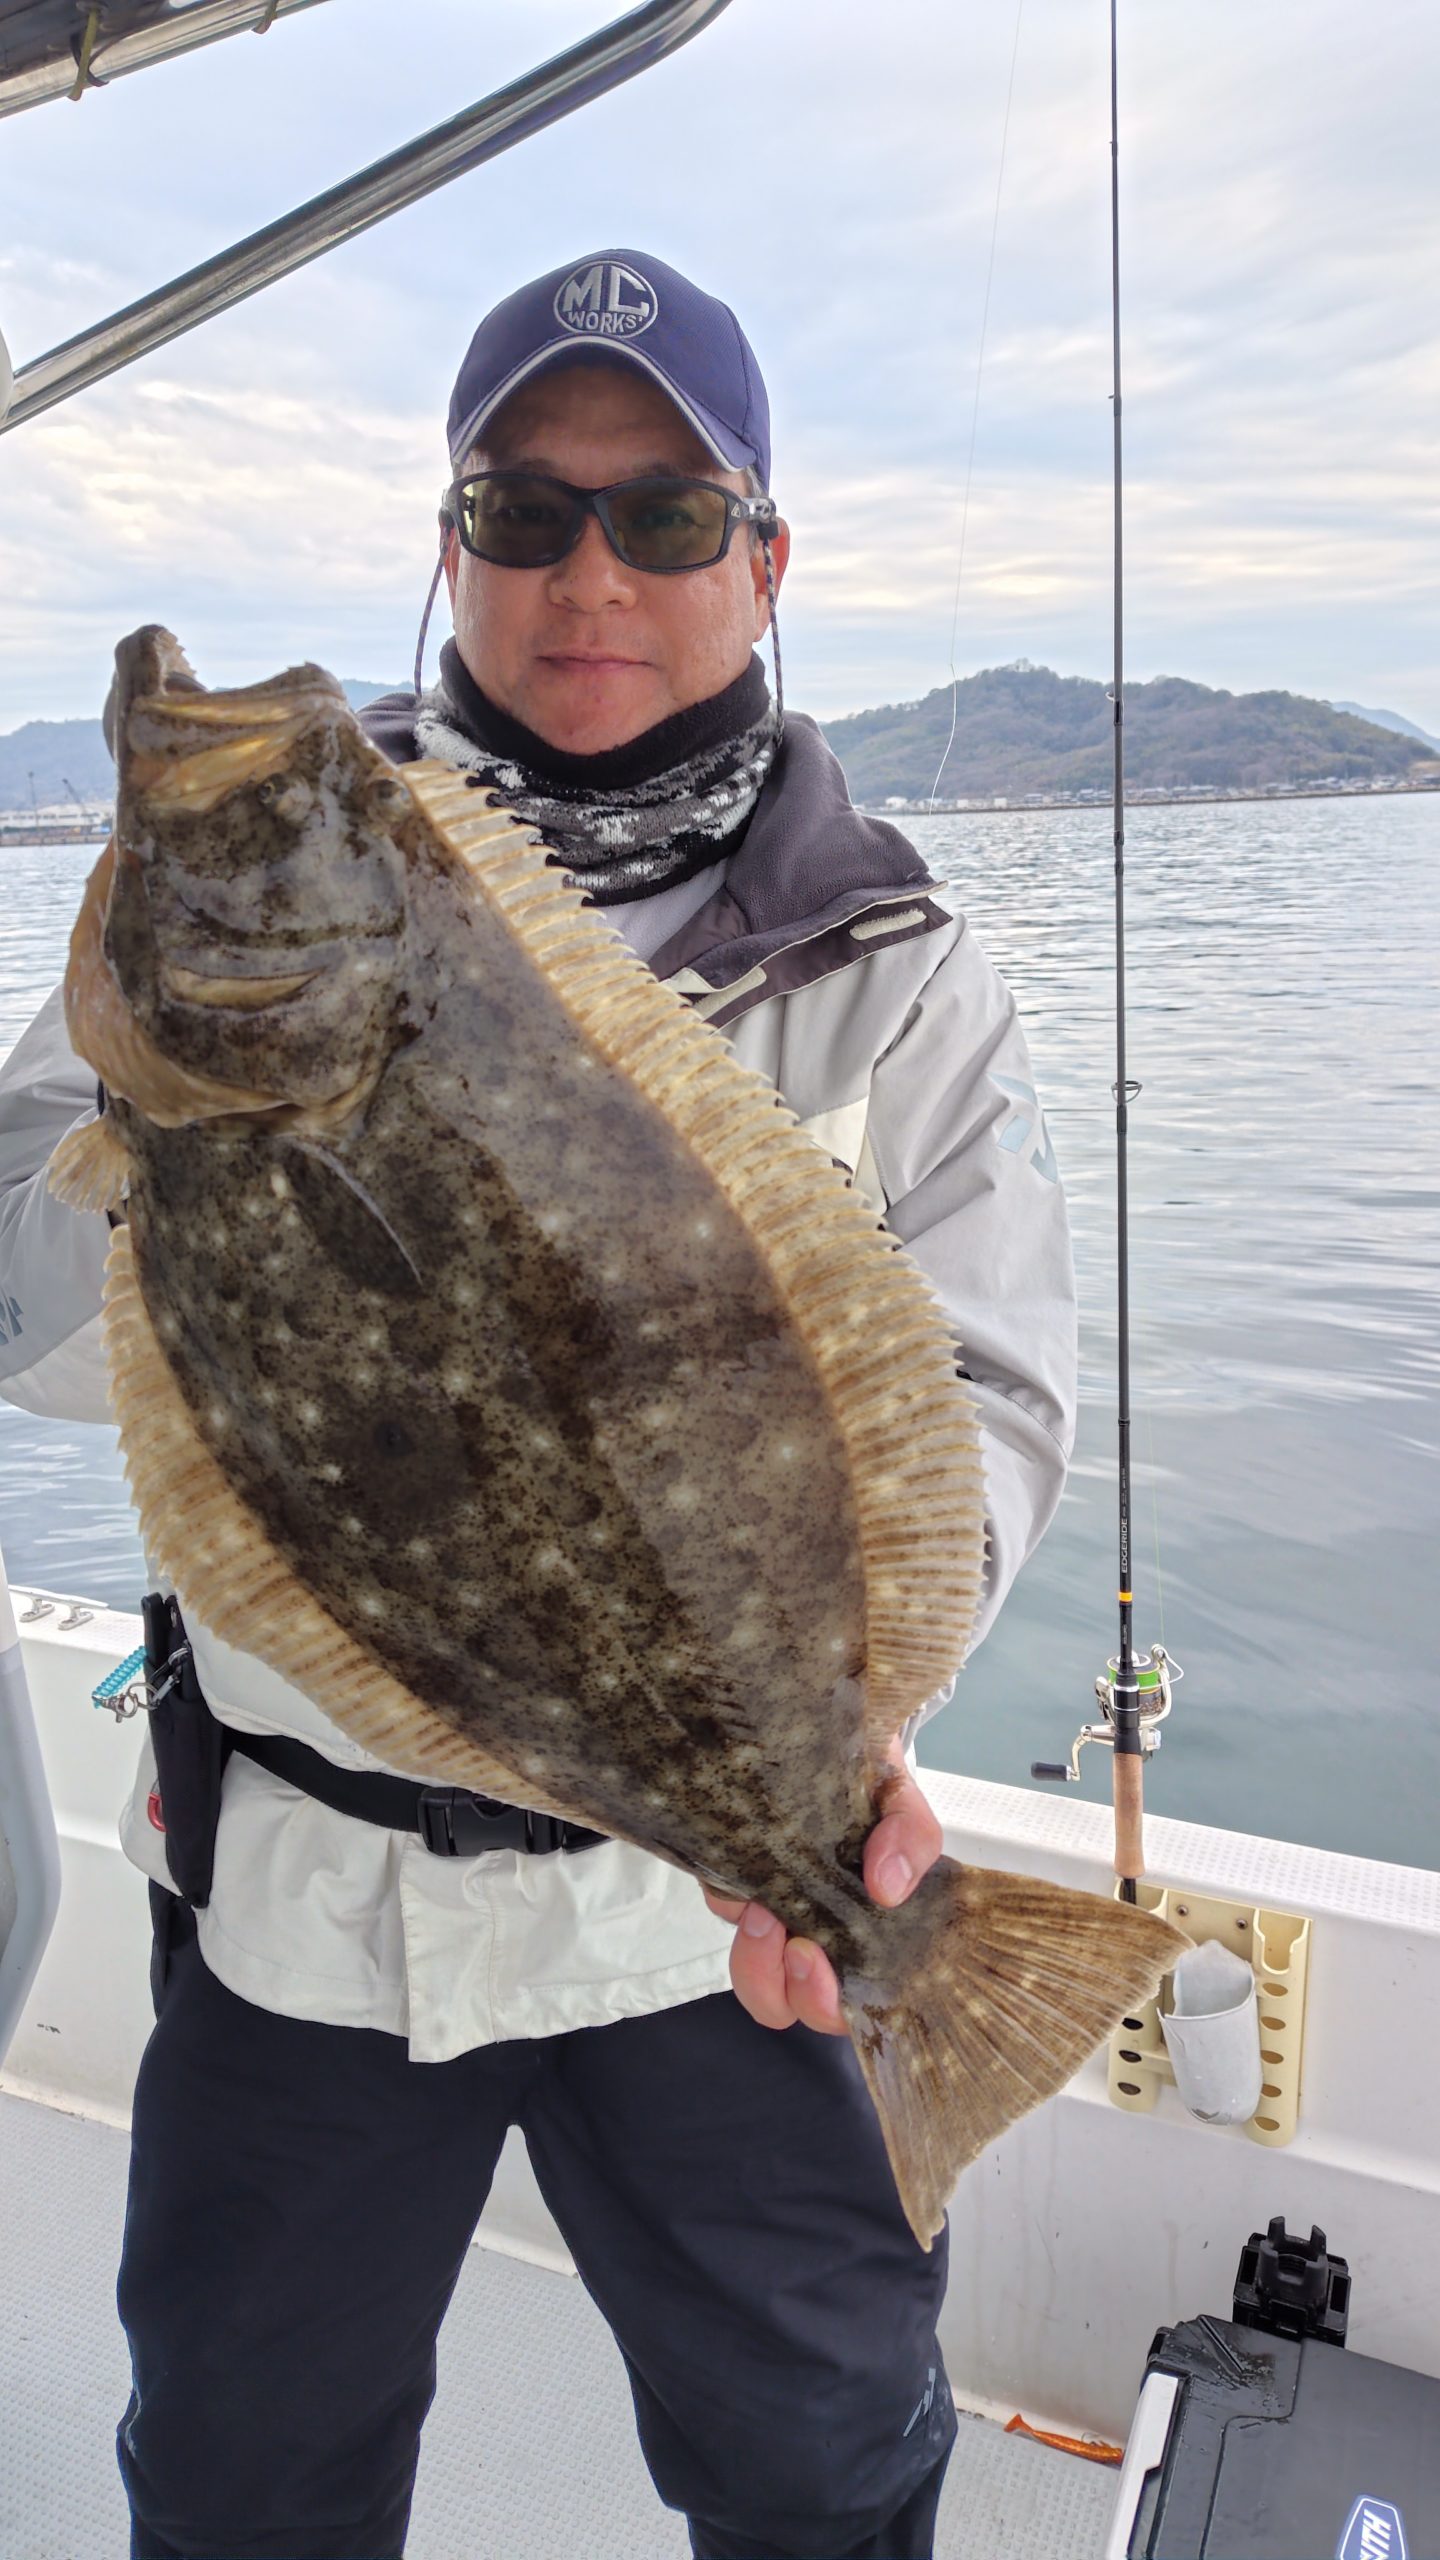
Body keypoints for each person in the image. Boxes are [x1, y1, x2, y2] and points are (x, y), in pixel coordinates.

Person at [0, 248, 1077, 2560]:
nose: (592, 572)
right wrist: (157, 1103)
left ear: (765, 561)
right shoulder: (273, 895)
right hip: (303, 1891)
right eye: (523, 510)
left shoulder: (894, 965)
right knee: (243, 2482)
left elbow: (977, 1392)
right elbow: (21, 1317)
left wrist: (849, 1728)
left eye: (666, 519)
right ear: (449, 544)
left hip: (703, 1916)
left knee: (821, 2466)